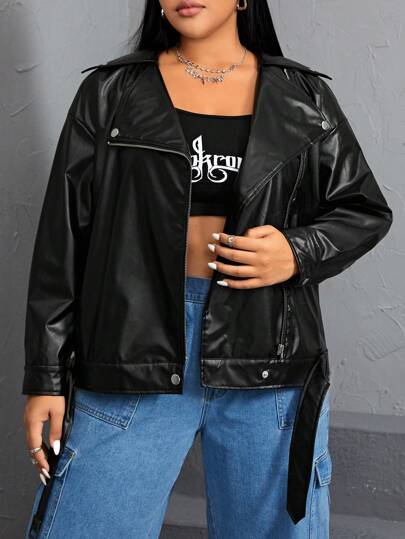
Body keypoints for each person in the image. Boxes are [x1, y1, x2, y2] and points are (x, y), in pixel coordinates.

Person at [22, 1, 393, 538]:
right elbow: (62, 241)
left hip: (267, 353)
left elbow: (364, 210)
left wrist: (296, 251)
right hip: (132, 345)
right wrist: (47, 377)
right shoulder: (110, 92)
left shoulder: (302, 95)